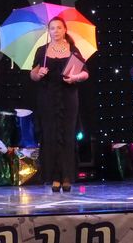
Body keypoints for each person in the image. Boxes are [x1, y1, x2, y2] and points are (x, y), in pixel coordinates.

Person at [30, 17, 89, 193]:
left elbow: (85, 73)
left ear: (65, 30)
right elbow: (32, 75)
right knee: (50, 136)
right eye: (52, 28)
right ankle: (54, 177)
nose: (55, 31)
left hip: (68, 97)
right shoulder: (42, 51)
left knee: (67, 135)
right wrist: (39, 73)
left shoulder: (73, 50)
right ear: (49, 31)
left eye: (59, 28)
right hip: (47, 98)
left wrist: (75, 77)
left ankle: (67, 176)